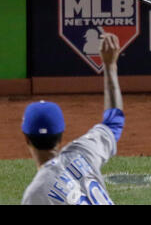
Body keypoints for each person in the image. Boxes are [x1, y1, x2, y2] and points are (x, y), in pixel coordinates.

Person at [21, 33, 124, 205]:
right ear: (61, 135)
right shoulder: (82, 153)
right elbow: (114, 121)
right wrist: (110, 65)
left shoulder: (35, 194)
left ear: (26, 139)